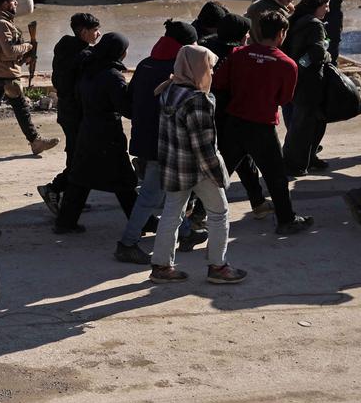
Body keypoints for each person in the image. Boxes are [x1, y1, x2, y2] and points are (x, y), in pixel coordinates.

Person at [149, 46, 247, 284]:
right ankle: (218, 267)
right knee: (219, 213)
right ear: (197, 68)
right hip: (197, 169)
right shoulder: (198, 100)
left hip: (174, 166)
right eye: (210, 67)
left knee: (171, 215)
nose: (211, 73)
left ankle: (161, 267)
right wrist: (220, 176)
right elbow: (205, 148)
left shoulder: (168, 90)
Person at [215, 10, 313, 235]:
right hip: (262, 126)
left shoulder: (237, 54)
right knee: (276, 177)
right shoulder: (287, 65)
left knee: (219, 174)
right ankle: (286, 220)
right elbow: (285, 99)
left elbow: (219, 83)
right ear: (282, 33)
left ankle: (197, 215)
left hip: (234, 122)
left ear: (257, 31)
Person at [114, 21, 203, 265]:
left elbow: (130, 104)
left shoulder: (145, 64)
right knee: (151, 195)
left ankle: (185, 233)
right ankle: (128, 243)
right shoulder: (178, 71)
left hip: (144, 139)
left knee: (171, 191)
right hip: (164, 144)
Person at [53, 33, 138, 234]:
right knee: (123, 181)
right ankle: (142, 222)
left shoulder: (89, 70)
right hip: (108, 134)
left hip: (87, 129)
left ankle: (65, 221)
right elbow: (127, 109)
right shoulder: (112, 76)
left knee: (80, 178)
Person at [201, 13, 271, 219]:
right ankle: (198, 212)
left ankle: (258, 202)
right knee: (229, 161)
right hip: (228, 116)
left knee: (242, 159)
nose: (248, 36)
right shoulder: (238, 55)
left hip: (207, 115)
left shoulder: (206, 47)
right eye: (246, 33)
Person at [0, 0, 59, 155]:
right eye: (13, 1)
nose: (16, 3)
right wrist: (28, 47)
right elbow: (9, 51)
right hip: (8, 76)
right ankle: (35, 141)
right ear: (4, 4)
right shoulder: (2, 24)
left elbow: (2, 53)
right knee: (21, 108)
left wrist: (25, 59)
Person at [37, 12, 99, 216]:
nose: (98, 34)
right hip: (76, 113)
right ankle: (54, 189)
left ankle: (72, 197)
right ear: (83, 32)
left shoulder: (65, 49)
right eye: (94, 30)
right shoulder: (82, 56)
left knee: (77, 155)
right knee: (79, 158)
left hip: (67, 112)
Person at [280, 0, 331, 176]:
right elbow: (317, 53)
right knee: (308, 125)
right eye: (325, 5)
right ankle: (297, 164)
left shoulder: (294, 20)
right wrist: (327, 54)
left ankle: (308, 159)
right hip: (308, 83)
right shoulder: (315, 25)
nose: (328, 9)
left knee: (297, 124)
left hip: (291, 80)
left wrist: (296, 67)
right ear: (316, 5)